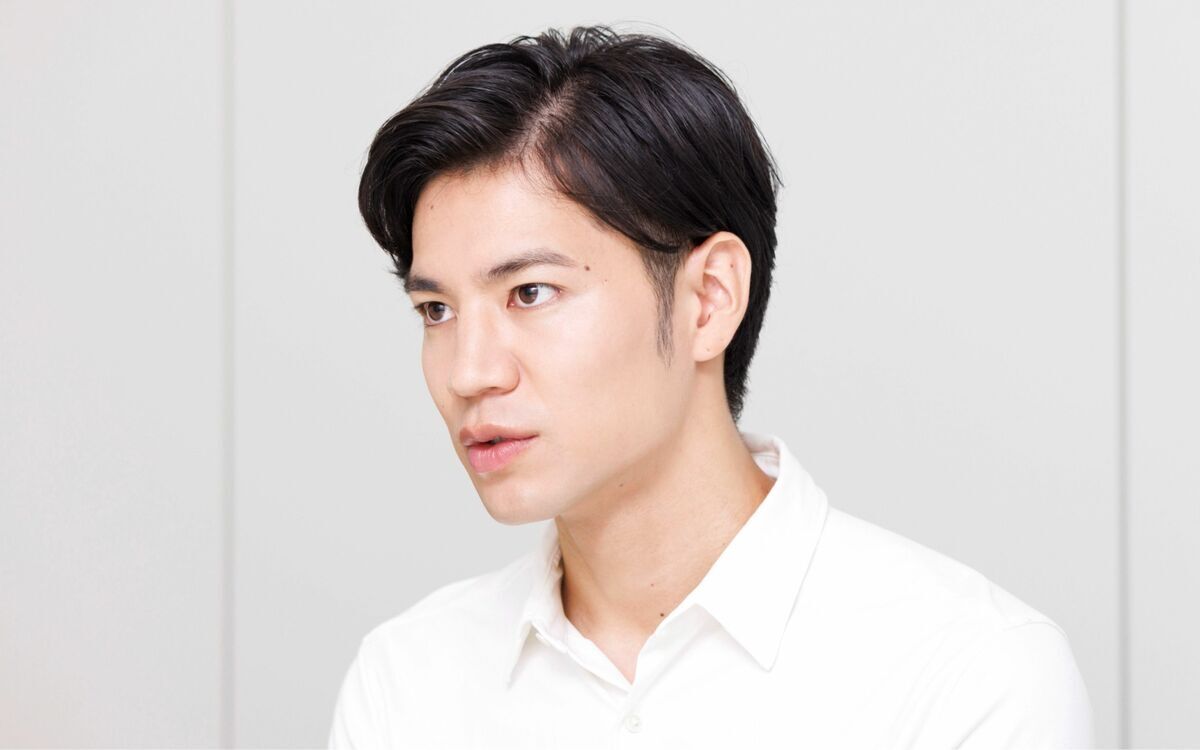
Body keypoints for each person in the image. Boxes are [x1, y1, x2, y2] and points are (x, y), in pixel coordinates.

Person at [329, 24, 1095, 748]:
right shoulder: (408, 681)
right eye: (436, 310)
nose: (468, 372)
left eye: (530, 293)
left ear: (709, 299)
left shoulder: (966, 674)